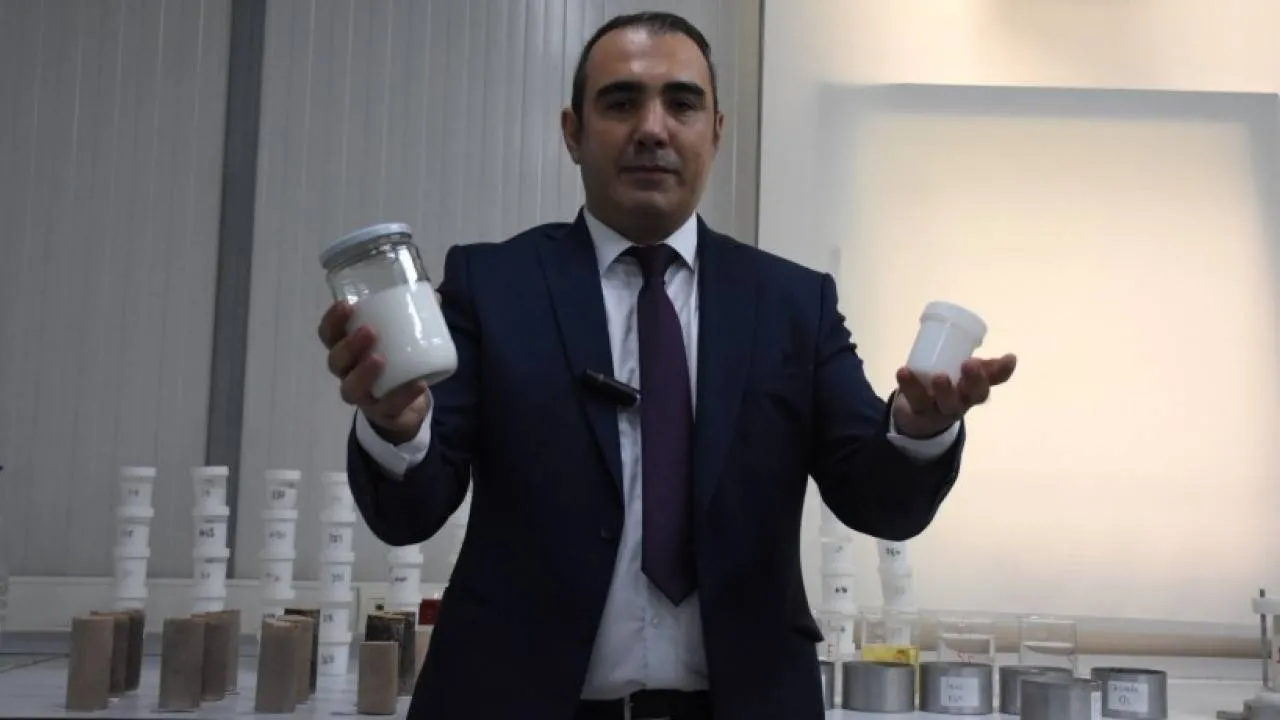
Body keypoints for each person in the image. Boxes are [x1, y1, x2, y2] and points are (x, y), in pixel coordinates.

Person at [318, 11, 1016, 720]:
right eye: (621, 103)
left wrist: (918, 432)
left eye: (682, 104)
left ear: (716, 131)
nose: (652, 128)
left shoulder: (792, 305)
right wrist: (396, 427)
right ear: (572, 132)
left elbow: (881, 503)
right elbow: (408, 513)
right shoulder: (492, 286)